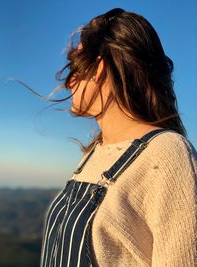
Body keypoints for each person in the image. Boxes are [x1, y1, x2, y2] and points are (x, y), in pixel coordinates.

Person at [39, 8, 197, 267]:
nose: (69, 83)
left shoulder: (169, 155)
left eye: (75, 68)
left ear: (99, 68)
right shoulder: (96, 153)